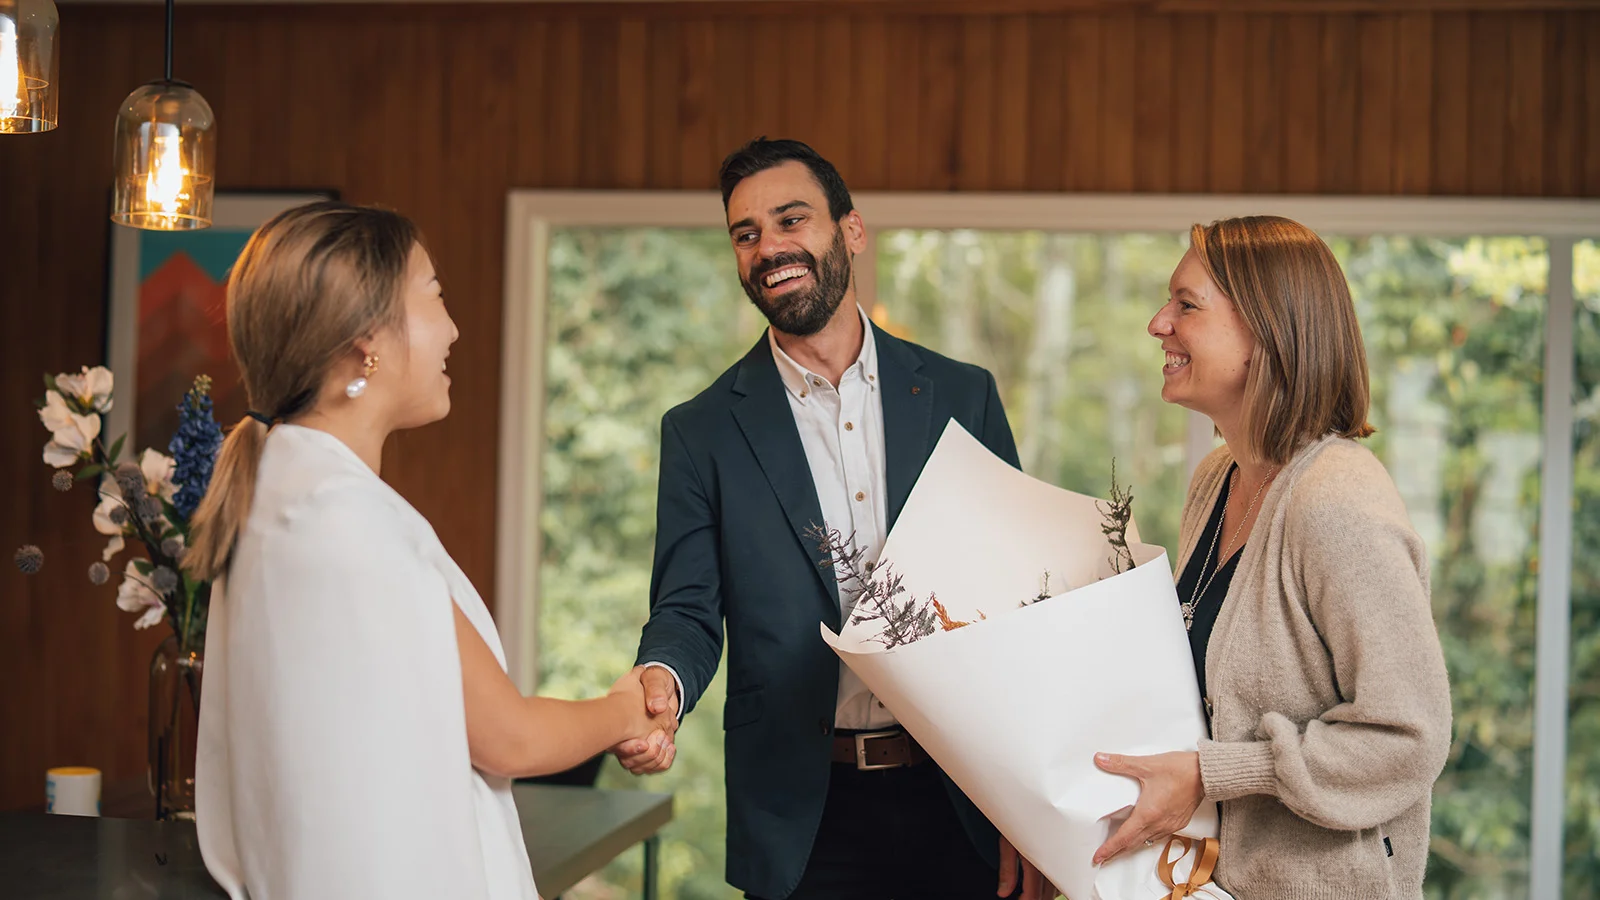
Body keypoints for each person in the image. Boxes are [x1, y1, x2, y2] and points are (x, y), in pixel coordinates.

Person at [608, 137, 1053, 900]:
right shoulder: (700, 431)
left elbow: (1013, 611)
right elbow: (685, 611)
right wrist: (662, 685)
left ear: (850, 231)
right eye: (745, 234)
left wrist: (1029, 805)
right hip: (802, 823)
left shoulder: (961, 396)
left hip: (964, 802)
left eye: (791, 221)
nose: (768, 247)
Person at [187, 201, 671, 900]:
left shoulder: (282, 494)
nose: (452, 328)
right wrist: (629, 709)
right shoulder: (342, 518)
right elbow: (510, 738)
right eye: (434, 294)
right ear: (367, 339)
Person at [1091, 215, 1452, 898]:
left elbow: (1410, 738)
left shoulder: (1336, 501)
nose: (1157, 324)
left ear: (1268, 331)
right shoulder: (1216, 476)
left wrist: (1212, 774)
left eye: (1186, 305)